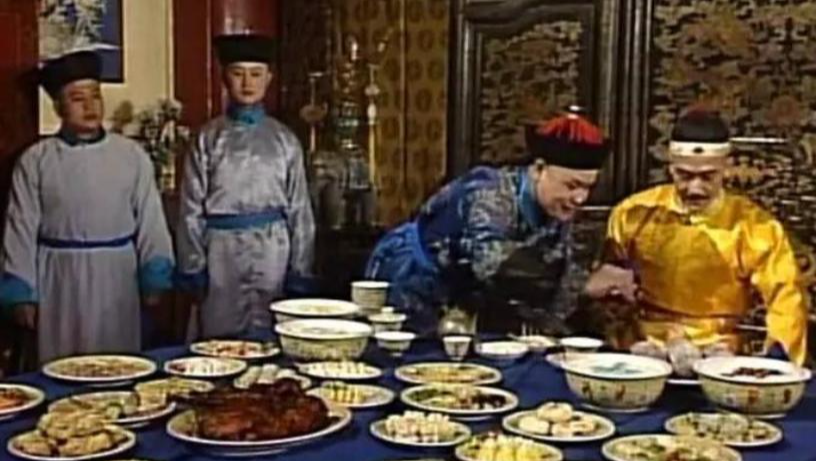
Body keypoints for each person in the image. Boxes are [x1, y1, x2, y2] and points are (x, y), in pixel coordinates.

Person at [585, 110, 809, 364]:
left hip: (720, 348)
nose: (695, 188)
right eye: (685, 175)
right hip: (643, 346)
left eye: (707, 176)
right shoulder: (632, 213)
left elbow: (786, 301)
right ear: (670, 167)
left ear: (726, 168)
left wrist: (779, 367)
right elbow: (605, 288)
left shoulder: (755, 227)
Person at [365, 110, 611, 336]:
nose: (580, 198)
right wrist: (584, 283)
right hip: (413, 276)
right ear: (538, 169)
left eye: (587, 187)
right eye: (572, 185)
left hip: (465, 293)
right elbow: (493, 265)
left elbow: (558, 269)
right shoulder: (489, 193)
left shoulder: (556, 208)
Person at [0, 50, 174, 362]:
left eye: (95, 96)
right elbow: (20, 228)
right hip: (59, 278)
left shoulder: (130, 156)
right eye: (78, 98)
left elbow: (151, 220)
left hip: (117, 275)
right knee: (62, 362)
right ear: (59, 107)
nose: (90, 106)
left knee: (117, 363)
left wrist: (155, 274)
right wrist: (22, 293)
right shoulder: (36, 160)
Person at [176, 33, 315, 339]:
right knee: (219, 341)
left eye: (256, 74)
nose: (247, 83)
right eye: (238, 74)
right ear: (225, 78)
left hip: (273, 251)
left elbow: (300, 209)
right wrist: (193, 264)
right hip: (221, 253)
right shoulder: (207, 138)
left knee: (271, 335)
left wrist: (300, 267)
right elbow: (190, 207)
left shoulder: (284, 139)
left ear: (269, 78)